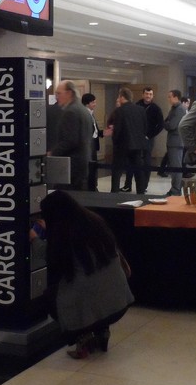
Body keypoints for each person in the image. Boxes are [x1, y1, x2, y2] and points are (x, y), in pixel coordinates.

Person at [30, 190, 134, 358]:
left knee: (51, 297)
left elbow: (49, 255)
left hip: (95, 302)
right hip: (120, 303)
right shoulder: (94, 221)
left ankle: (82, 337)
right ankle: (102, 331)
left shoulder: (66, 233)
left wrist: (34, 238)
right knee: (94, 293)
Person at [48, 80, 94, 191]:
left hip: (72, 166)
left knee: (66, 200)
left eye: (59, 93)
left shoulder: (71, 112)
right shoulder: (83, 109)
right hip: (82, 162)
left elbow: (70, 141)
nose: (56, 97)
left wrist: (51, 153)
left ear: (69, 93)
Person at [121, 86, 163, 192]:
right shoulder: (136, 105)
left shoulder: (156, 108)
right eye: (146, 94)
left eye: (150, 94)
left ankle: (143, 186)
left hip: (148, 139)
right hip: (135, 138)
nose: (148, 96)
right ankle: (128, 185)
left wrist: (149, 135)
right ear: (142, 94)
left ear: (152, 95)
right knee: (132, 161)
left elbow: (161, 125)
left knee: (147, 162)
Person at [106, 87, 147, 194]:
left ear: (122, 97)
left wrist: (114, 142)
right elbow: (145, 127)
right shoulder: (141, 110)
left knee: (117, 171)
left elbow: (118, 129)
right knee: (139, 171)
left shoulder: (119, 111)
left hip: (122, 145)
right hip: (137, 145)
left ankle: (114, 193)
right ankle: (141, 192)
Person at [162, 89, 187, 197]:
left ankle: (176, 190)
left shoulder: (179, 109)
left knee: (176, 167)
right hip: (172, 141)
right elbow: (166, 121)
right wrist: (165, 123)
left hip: (176, 142)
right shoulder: (174, 108)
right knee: (174, 167)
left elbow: (171, 125)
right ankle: (174, 188)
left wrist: (165, 123)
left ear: (176, 97)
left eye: (170, 96)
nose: (168, 99)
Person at [81, 92, 101, 191]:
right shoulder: (85, 114)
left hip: (93, 143)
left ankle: (93, 186)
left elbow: (95, 129)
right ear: (87, 103)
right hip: (88, 144)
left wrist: (101, 133)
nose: (95, 104)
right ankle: (91, 187)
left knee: (93, 166)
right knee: (90, 167)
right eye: (93, 102)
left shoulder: (91, 114)